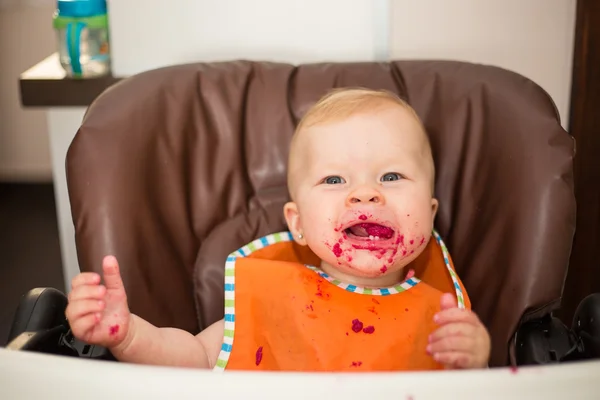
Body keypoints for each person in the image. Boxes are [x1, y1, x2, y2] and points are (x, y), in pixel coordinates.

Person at [65, 88, 491, 371]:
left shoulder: (443, 318)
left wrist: (476, 359)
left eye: (392, 177)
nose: (366, 195)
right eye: (334, 180)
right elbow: (195, 356)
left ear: (431, 213)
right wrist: (130, 335)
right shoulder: (272, 295)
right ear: (298, 223)